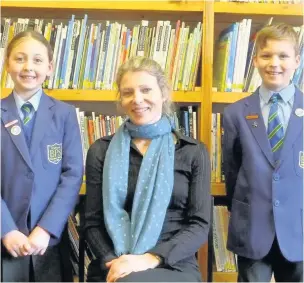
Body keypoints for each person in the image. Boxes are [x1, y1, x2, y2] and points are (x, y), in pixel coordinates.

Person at [84, 56, 211, 282]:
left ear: (163, 94)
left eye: (146, 90)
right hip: (114, 260)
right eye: (128, 92)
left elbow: (199, 224)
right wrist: (116, 261)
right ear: (121, 100)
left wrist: (149, 259)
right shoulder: (100, 150)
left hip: (173, 262)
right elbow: (92, 223)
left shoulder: (192, 151)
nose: (137, 99)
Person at [1, 30, 84, 282]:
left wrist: (46, 229)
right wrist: (6, 230)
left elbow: (72, 175)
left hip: (48, 241)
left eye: (37, 60)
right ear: (7, 64)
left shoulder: (65, 114)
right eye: (20, 59)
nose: (28, 67)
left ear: (49, 68)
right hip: (5, 237)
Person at [223, 23, 303, 282]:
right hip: (252, 227)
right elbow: (232, 170)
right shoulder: (235, 113)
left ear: (297, 60)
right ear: (255, 60)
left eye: (283, 56)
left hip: (298, 229)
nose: (274, 63)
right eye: (266, 55)